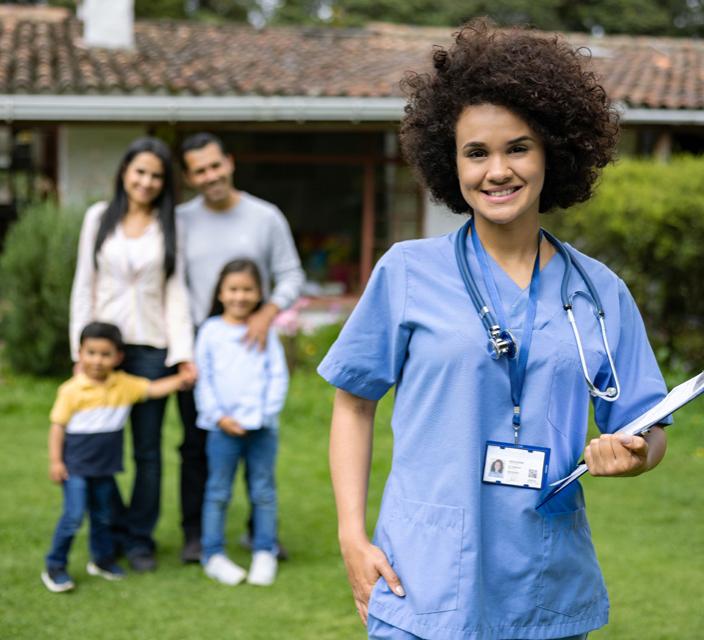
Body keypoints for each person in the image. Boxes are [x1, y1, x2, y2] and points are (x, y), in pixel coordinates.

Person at [318, 20, 670, 640]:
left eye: (518, 147)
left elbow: (645, 428)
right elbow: (352, 404)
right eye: (476, 152)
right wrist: (351, 533)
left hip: (545, 584)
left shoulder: (599, 292)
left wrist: (635, 456)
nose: (497, 171)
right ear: (449, 162)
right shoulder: (406, 272)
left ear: (552, 153)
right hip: (420, 578)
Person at [177, 132, 304, 562]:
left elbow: (290, 276)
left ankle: (258, 533)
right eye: (199, 171)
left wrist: (267, 313)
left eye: (215, 165)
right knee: (197, 446)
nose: (210, 175)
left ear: (229, 162)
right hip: (203, 349)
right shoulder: (181, 221)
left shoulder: (264, 217)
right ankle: (197, 537)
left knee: (257, 445)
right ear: (190, 177)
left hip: (253, 347)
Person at [70, 137, 196, 572]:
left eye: (156, 175)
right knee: (97, 447)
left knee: (147, 452)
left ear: (165, 184)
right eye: (140, 171)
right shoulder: (97, 219)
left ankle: (139, 539)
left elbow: (176, 292)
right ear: (125, 171)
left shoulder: (170, 225)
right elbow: (83, 284)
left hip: (152, 351)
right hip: (102, 351)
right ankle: (109, 530)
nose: (146, 181)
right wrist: (79, 351)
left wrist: (182, 353)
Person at [42, 322, 186, 593]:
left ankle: (102, 560)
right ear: (80, 353)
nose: (97, 360)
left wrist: (181, 380)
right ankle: (55, 565)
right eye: (91, 353)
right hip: (76, 469)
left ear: (119, 357)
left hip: (105, 470)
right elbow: (57, 426)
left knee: (103, 516)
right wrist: (56, 461)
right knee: (73, 516)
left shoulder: (123, 385)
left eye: (105, 354)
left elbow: (153, 389)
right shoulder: (71, 390)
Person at [194, 259, 289, 586]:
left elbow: (278, 375)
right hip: (222, 429)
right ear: (221, 293)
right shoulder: (210, 331)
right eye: (233, 289)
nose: (240, 296)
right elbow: (203, 378)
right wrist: (219, 417)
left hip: (262, 429)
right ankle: (213, 555)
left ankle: (265, 550)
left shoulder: (265, 331)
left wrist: (264, 414)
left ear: (259, 292)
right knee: (218, 491)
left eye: (248, 289)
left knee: (263, 491)